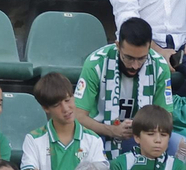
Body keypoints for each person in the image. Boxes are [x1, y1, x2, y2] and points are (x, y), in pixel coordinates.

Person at [74, 18, 177, 151]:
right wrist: (111, 130)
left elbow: (166, 117)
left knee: (177, 143)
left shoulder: (160, 67)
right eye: (128, 58)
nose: (134, 66)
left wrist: (142, 127)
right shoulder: (96, 63)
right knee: (81, 142)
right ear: (117, 46)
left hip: (141, 133)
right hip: (99, 131)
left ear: (149, 49)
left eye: (141, 59)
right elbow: (78, 116)